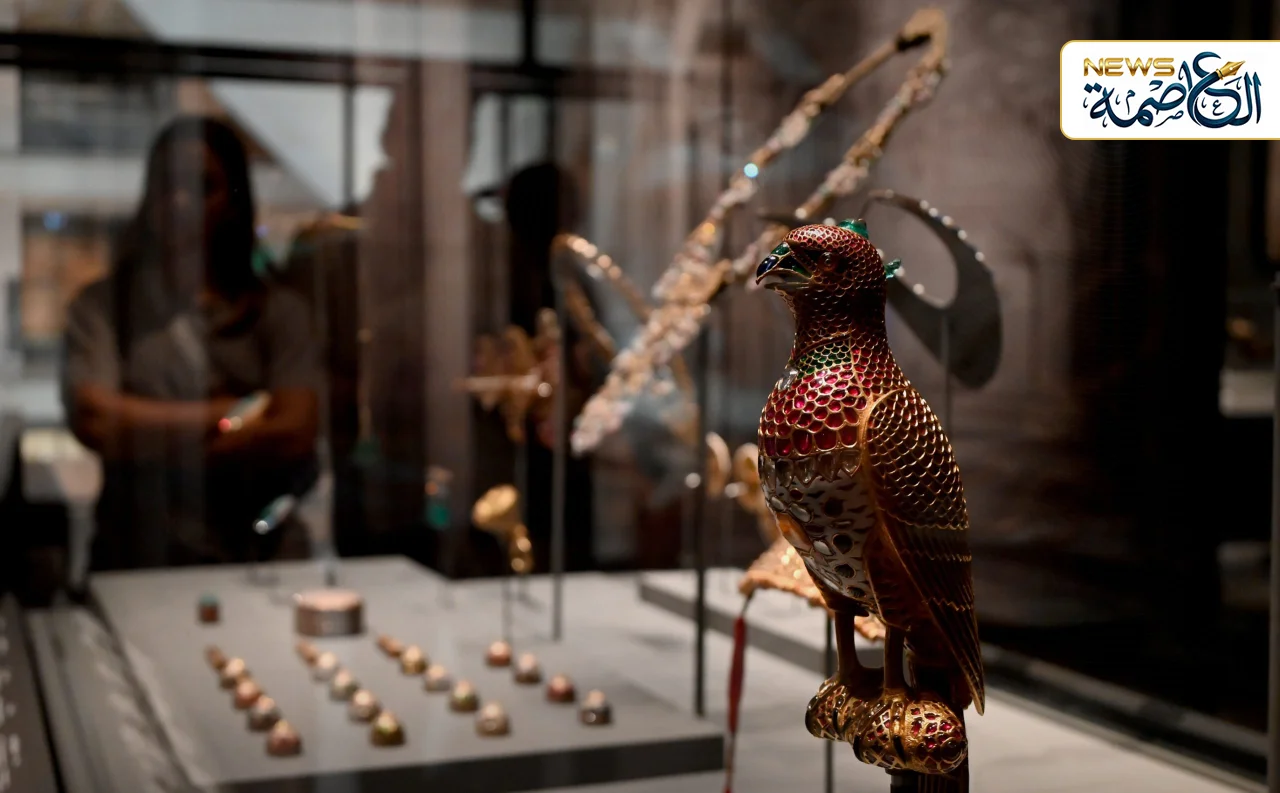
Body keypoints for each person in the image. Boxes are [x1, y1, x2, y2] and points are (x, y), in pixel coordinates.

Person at [62, 116, 320, 570]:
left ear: (233, 200)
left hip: (256, 551)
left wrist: (147, 436)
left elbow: (295, 429)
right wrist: (231, 413)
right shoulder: (104, 306)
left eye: (202, 186)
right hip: (137, 554)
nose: (180, 201)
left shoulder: (280, 310)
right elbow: (97, 420)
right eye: (168, 184)